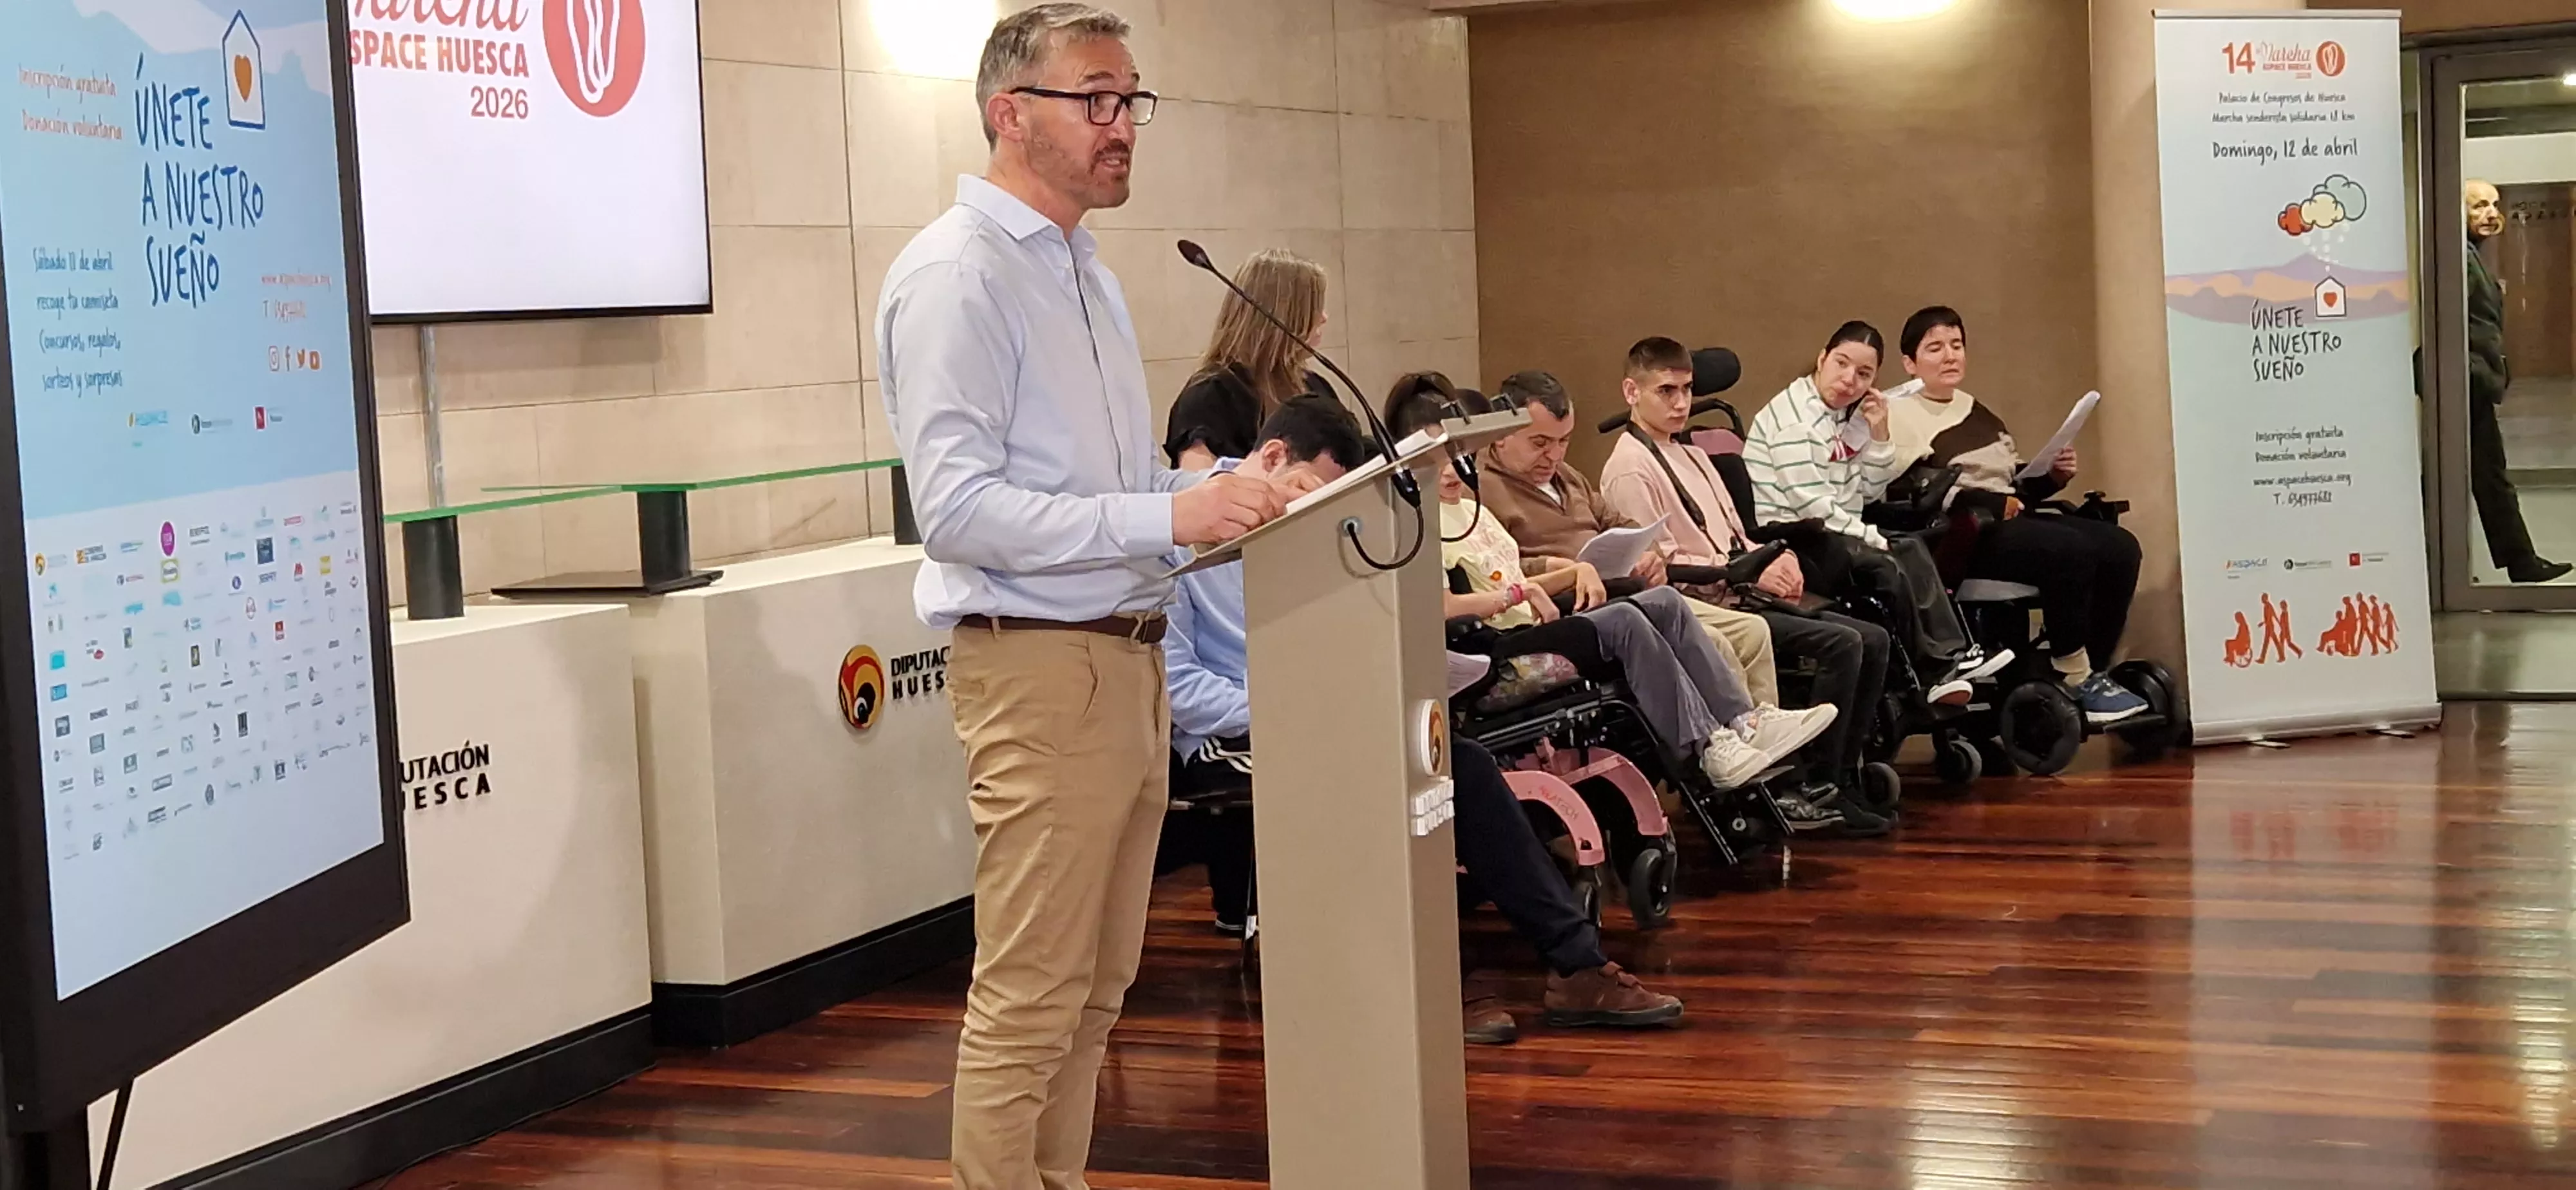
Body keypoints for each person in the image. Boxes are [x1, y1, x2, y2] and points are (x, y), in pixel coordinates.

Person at [876, 10, 1311, 1188]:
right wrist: (1168, 518)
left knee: (1098, 988)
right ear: (1009, 113)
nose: (1123, 126)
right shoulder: (960, 276)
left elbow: (1107, 491)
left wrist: (1229, 492)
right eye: (1095, 100)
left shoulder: (1087, 274)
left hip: (1128, 657)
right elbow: (957, 511)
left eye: (1132, 101)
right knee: (1031, 994)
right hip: (1036, 663)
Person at [1160, 395, 1685, 1041]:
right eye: (1301, 493)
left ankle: (1574, 965)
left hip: (1320, 708)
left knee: (1455, 761)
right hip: (1233, 733)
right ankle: (1435, 980)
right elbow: (1180, 692)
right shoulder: (1179, 524)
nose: (1301, 514)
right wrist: (1302, 707)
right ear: (1271, 457)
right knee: (1387, 772)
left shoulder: (1293, 510)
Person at [1386, 385, 1876, 833]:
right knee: (1626, 619)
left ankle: (1744, 722)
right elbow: (1443, 605)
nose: (1453, 471)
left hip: (1532, 615)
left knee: (1662, 601)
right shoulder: (1415, 520)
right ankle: (1707, 746)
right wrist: (1519, 594)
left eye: (1458, 456)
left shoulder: (1469, 506)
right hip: (1495, 644)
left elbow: (1513, 573)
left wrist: (1574, 570)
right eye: (1442, 460)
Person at [1599, 336, 1895, 818]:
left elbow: (1738, 534)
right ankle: (1811, 786)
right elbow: (1659, 566)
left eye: (1687, 390)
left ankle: (1841, 778)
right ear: (1632, 392)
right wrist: (1746, 569)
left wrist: (1776, 556)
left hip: (1741, 588)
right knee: (1844, 644)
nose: (1681, 403)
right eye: (1666, 391)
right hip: (1709, 600)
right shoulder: (1630, 468)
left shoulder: (1693, 454)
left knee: (1874, 638)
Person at [1882, 307, 2147, 724]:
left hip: (2003, 523)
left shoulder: (1977, 411)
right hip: (1958, 536)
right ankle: (2072, 672)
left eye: (1956, 345)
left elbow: (2012, 489)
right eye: (1935, 348)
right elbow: (1912, 489)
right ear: (1909, 363)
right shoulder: (1898, 414)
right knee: (2068, 550)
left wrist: (2051, 479)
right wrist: (1991, 505)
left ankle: (2093, 667)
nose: (1950, 356)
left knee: (2120, 546)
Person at [1472, 370, 1785, 710]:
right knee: (1714, 643)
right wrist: (1563, 569)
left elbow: (1619, 522)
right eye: (1540, 443)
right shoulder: (1480, 491)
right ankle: (1739, 731)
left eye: (1564, 441)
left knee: (1753, 633)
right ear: (1499, 436)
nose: (1555, 456)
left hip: (1625, 589)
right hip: (1573, 606)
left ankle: (1766, 728)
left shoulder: (1566, 475)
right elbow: (1491, 571)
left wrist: (1648, 553)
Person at [1743, 321, 2007, 701]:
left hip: (1832, 528)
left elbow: (1867, 490)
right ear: (1822, 359)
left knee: (1912, 546)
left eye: (1864, 374)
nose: (1850, 380)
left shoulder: (1841, 415)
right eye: (1842, 364)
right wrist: (1870, 536)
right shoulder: (1794, 421)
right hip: (1792, 537)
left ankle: (1953, 656)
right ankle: (1929, 673)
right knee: (1884, 563)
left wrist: (1879, 433)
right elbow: (1812, 505)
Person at [2464, 180, 2570, 584]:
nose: (2491, 214)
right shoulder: (2456, 258)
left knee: (2480, 475)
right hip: (2465, 378)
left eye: (2494, 205)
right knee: (2489, 475)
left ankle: (2512, 562)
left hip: (2472, 377)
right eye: (2478, 206)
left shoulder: (2471, 255)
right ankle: (2520, 562)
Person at [1162, 248, 1336, 469]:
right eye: (1314, 307)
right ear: (1284, 316)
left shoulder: (1314, 385)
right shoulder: (1209, 396)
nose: (1324, 317)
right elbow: (1202, 482)